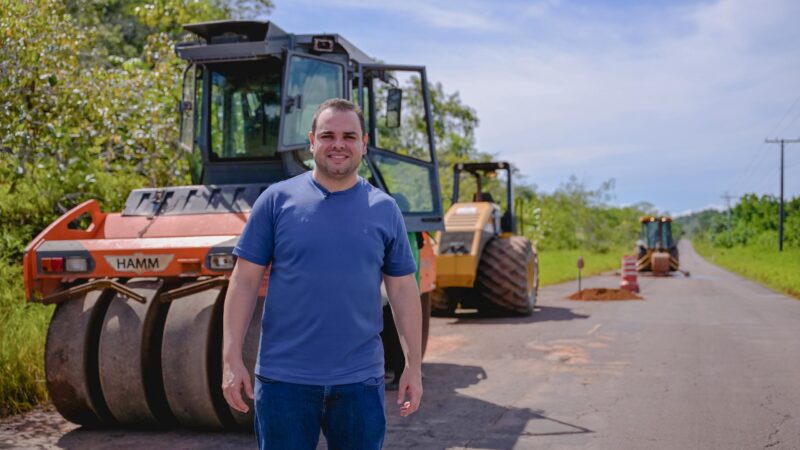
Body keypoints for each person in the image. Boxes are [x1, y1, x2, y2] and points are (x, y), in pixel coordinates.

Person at [221, 98, 423, 449]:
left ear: (364, 143)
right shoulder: (276, 201)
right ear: (312, 141)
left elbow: (404, 291)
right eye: (328, 135)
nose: (338, 144)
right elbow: (243, 281)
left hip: (360, 384)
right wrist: (230, 358)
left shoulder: (385, 210)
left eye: (349, 135)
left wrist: (413, 366)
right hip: (284, 383)